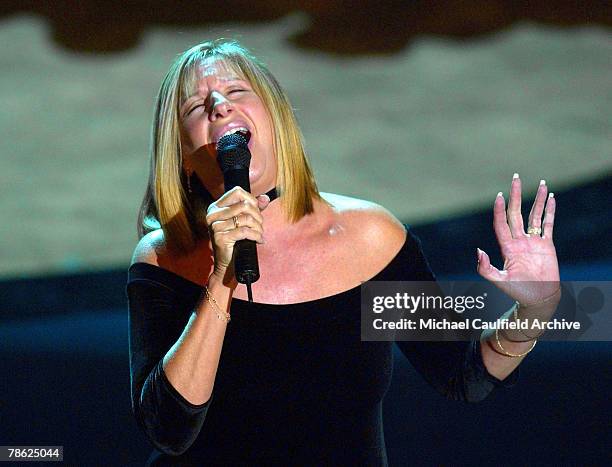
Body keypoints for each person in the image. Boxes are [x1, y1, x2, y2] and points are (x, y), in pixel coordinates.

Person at [127, 39, 561, 466]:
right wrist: (222, 276)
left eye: (237, 91)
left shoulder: (371, 239)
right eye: (194, 108)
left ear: (276, 117)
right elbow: (169, 430)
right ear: (182, 156)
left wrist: (537, 309)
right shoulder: (165, 259)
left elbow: (462, 375)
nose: (219, 104)